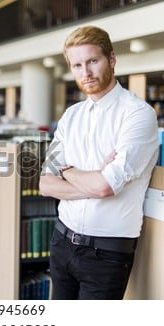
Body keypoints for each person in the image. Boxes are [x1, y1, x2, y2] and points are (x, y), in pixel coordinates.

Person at [39, 25, 159, 299]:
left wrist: (66, 170)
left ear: (112, 59)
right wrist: (89, 180)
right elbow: (45, 184)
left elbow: (105, 186)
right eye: (77, 65)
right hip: (61, 241)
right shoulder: (71, 116)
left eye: (93, 61)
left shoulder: (138, 115)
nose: (86, 73)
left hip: (106, 253)